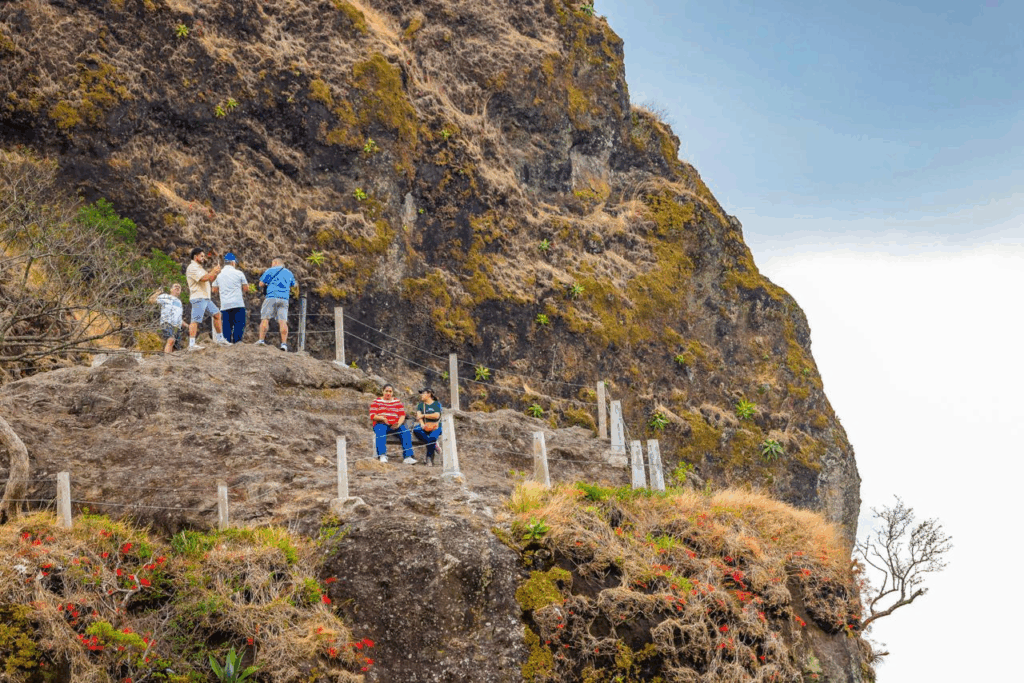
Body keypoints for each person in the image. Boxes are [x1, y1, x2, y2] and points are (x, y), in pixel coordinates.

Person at [185, 248, 229, 350]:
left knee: (217, 314)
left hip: (205, 297)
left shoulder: (200, 268)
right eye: (201, 256)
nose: (203, 258)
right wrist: (213, 271)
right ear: (195, 257)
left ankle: (220, 339)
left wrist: (215, 273)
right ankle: (191, 344)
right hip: (198, 297)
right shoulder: (192, 267)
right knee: (195, 320)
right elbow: (204, 278)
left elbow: (210, 278)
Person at [255, 257, 297, 352]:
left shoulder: (270, 270)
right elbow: (293, 284)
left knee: (265, 318)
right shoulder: (289, 272)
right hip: (284, 299)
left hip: (271, 297)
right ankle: (284, 344)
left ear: (276, 262)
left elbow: (261, 284)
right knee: (283, 321)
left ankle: (261, 340)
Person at [369, 384, 415, 464]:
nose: (388, 393)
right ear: (383, 391)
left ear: (392, 392)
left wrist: (398, 423)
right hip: (381, 424)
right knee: (380, 431)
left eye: (390, 391)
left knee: (405, 432)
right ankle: (382, 455)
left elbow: (402, 415)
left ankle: (408, 457)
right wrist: (382, 418)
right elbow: (372, 415)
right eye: (386, 391)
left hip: (395, 425)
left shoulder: (397, 401)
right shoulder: (376, 401)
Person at [212, 252, 248, 343]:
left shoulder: (219, 275)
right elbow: (246, 288)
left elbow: (214, 290)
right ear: (233, 262)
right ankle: (237, 343)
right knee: (239, 325)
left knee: (226, 326)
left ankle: (227, 343)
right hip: (238, 303)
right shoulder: (239, 273)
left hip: (225, 304)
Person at [148, 284, 184, 354]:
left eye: (179, 287)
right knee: (171, 340)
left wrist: (188, 326)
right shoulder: (165, 296)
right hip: (167, 322)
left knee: (176, 347)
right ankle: (167, 358)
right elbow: (151, 300)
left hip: (177, 326)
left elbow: (179, 317)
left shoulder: (179, 302)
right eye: (175, 286)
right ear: (171, 289)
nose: (177, 287)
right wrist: (157, 292)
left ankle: (171, 358)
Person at [412, 388, 443, 467]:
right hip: (425, 425)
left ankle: (428, 457)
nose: (421, 395)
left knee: (433, 437)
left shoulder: (436, 404)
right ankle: (434, 445)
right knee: (417, 430)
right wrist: (422, 424)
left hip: (436, 425)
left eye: (423, 393)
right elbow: (418, 416)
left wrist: (424, 415)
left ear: (429, 394)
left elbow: (436, 415)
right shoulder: (421, 405)